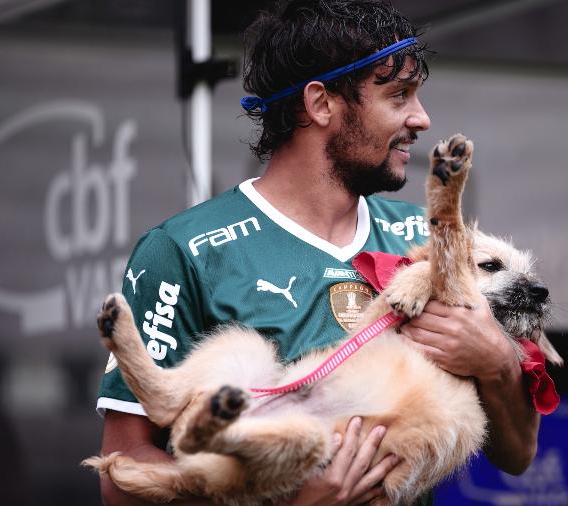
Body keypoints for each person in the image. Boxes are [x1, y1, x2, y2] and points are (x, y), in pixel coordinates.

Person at [94, 0, 541, 504]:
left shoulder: (425, 237)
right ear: (321, 103)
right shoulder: (182, 249)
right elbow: (121, 480)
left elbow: (518, 454)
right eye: (398, 96)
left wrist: (498, 362)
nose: (421, 118)